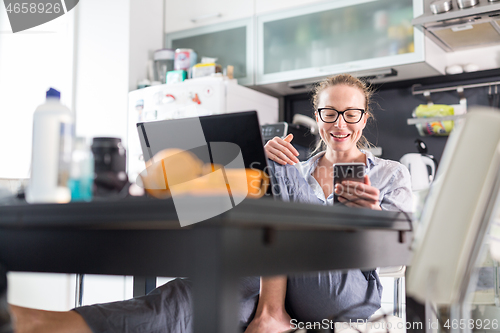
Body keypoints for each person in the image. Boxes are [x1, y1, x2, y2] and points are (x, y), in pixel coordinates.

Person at [7, 74, 412, 333]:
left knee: (275, 167)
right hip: (276, 278)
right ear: (317, 114)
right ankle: (46, 322)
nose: (339, 123)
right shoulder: (299, 168)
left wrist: (373, 215)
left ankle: (270, 314)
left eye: (350, 113)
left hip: (343, 293)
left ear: (365, 116)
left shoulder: (390, 173)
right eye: (329, 112)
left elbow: (403, 253)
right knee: (189, 297)